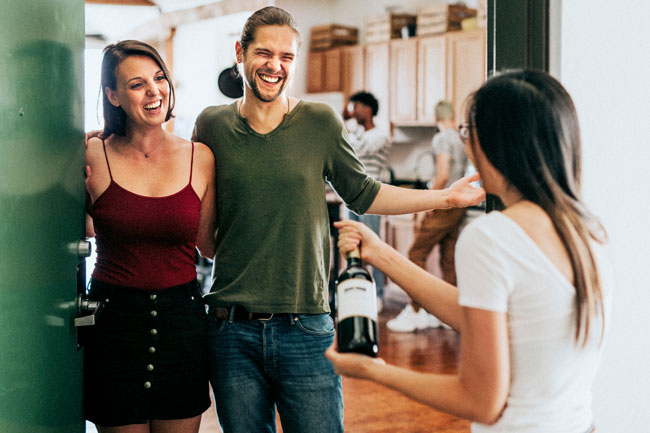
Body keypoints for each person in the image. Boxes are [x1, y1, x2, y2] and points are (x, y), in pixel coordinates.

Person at [191, 6, 484, 433]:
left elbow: (364, 193)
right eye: (264, 53)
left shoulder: (319, 122)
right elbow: (205, 231)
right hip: (231, 332)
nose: (275, 66)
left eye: (287, 57)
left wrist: (444, 197)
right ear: (240, 52)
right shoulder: (211, 124)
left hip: (306, 328)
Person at [327, 70, 612, 433]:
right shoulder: (588, 229)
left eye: (467, 133)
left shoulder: (492, 237)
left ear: (490, 143)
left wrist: (372, 371)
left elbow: (481, 402)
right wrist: (382, 254)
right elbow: (483, 318)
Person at [84, 40, 216, 433]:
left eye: (159, 78)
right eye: (137, 84)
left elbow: (209, 245)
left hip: (183, 325)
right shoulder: (91, 155)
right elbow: (73, 234)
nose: (154, 90)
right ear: (113, 95)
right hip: (114, 326)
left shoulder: (201, 157)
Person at [387, 100, 467, 332]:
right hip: (458, 204)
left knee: (415, 253)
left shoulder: (441, 138)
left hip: (444, 202)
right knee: (448, 258)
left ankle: (416, 310)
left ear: (436, 117)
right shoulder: (462, 138)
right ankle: (448, 314)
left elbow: (442, 173)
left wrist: (431, 199)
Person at [342, 91, 391, 304]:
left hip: (372, 196)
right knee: (352, 246)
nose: (354, 110)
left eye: (357, 106)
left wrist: (349, 126)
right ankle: (356, 291)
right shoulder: (354, 133)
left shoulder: (380, 135)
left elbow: (363, 148)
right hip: (350, 196)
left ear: (369, 109)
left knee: (374, 245)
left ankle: (378, 294)